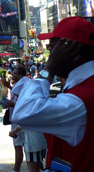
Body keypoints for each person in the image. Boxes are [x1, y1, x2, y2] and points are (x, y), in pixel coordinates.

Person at [12, 16, 94, 172]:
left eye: (52, 48)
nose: (50, 54)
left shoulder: (80, 100)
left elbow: (22, 114)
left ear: (71, 50)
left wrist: (47, 70)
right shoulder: (81, 89)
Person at [3, 66, 28, 172]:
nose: (12, 75)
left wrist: (9, 87)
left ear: (20, 76)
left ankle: (16, 169)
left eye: (15, 73)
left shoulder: (23, 85)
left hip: (20, 120)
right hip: (15, 119)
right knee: (20, 145)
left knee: (20, 145)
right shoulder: (16, 86)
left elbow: (22, 101)